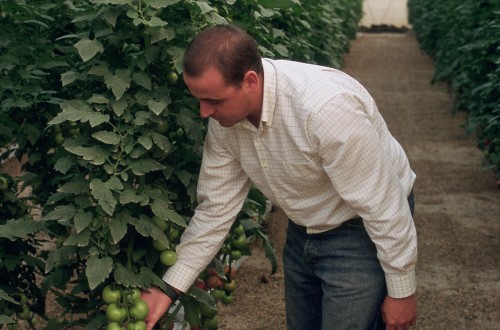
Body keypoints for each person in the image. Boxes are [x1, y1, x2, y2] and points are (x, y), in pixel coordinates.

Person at [142, 24, 418, 330]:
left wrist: (402, 290)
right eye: (199, 100)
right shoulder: (224, 124)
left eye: (214, 101)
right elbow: (215, 209)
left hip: (360, 229)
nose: (204, 112)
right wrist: (169, 289)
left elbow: (383, 205)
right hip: (303, 226)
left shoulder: (326, 110)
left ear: (249, 81)